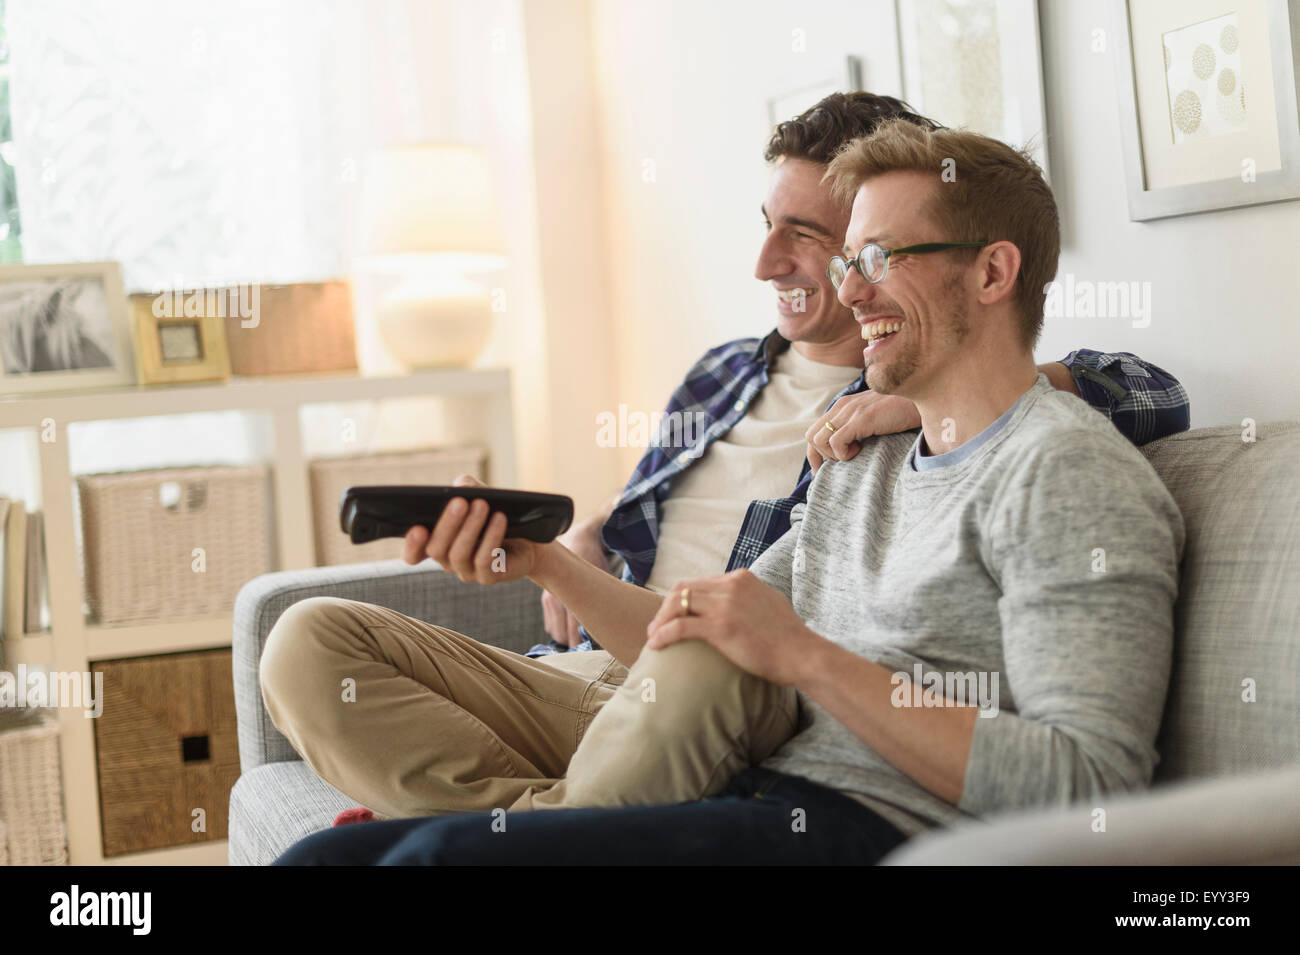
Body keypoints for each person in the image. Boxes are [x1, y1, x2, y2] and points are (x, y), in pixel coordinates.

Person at [260, 92, 1188, 828]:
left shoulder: (917, 427)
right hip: (626, 668)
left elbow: (1142, 389)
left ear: (985, 272)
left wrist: (911, 399)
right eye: (777, 226)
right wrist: (547, 557)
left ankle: (534, 836)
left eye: (824, 242)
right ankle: (552, 831)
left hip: (727, 696)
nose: (773, 263)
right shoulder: (729, 379)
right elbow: (691, 608)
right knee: (306, 641)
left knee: (709, 662)